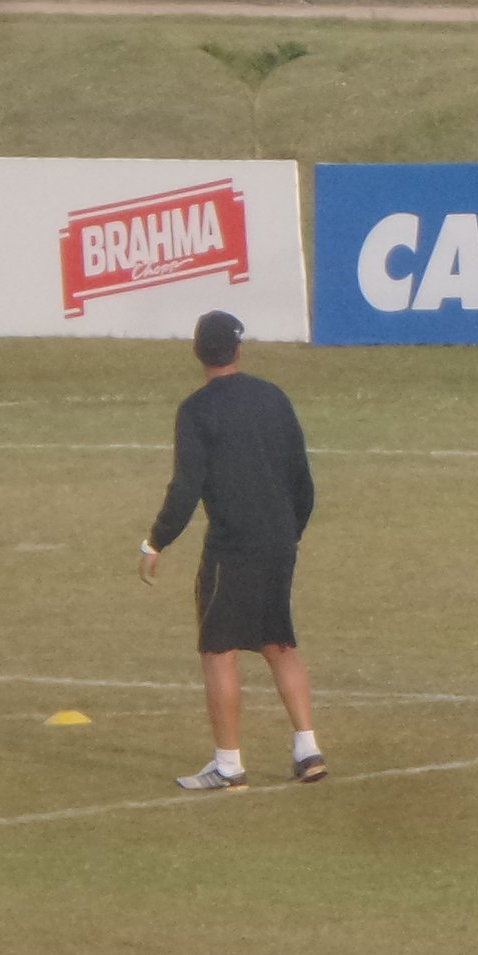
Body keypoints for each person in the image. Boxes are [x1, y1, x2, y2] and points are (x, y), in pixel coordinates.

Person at [143, 310, 323, 791]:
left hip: (234, 545)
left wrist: (157, 539)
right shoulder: (273, 398)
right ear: (239, 350)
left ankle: (228, 765)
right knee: (279, 641)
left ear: (198, 353)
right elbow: (302, 478)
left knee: (219, 648)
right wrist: (292, 530)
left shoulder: (197, 411)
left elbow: (186, 488)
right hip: (280, 539)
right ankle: (308, 749)